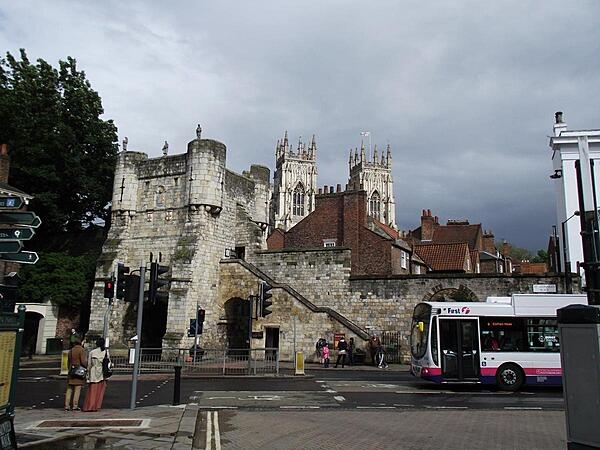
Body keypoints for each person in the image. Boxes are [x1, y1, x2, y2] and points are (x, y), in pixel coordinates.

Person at [83, 338, 109, 412]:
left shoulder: (92, 352)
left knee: (92, 390)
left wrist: (87, 374)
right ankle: (97, 405)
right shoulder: (105, 352)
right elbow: (108, 362)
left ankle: (90, 406)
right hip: (101, 372)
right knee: (100, 390)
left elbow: (89, 364)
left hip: (93, 371)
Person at [65, 334, 87, 411]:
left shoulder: (71, 350)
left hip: (71, 371)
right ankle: (75, 405)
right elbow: (83, 362)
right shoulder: (81, 350)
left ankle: (67, 405)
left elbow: (68, 362)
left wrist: (69, 369)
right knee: (77, 389)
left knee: (69, 389)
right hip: (78, 372)